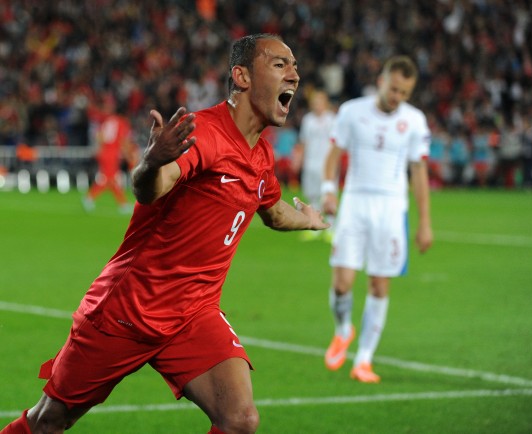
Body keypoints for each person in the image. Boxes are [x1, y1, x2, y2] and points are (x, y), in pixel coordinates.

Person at [2, 33, 328, 434]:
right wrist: (151, 162)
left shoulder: (260, 154)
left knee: (240, 420)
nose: (294, 75)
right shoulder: (203, 133)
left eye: (294, 66)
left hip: (194, 313)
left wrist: (309, 219)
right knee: (48, 421)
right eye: (280, 64)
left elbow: (274, 211)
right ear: (242, 77)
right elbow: (152, 188)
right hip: (128, 311)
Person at [321, 55, 433, 384]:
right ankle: (344, 329)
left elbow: (419, 172)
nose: (398, 97)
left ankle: (364, 360)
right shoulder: (352, 111)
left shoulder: (415, 121)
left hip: (392, 208)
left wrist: (425, 221)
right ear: (382, 81)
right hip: (355, 202)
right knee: (341, 283)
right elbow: (333, 156)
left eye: (405, 93)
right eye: (394, 89)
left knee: (379, 284)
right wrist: (329, 191)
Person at [81, 93, 136, 213]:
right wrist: (128, 155)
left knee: (112, 179)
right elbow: (123, 141)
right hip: (111, 154)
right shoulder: (122, 122)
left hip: (104, 152)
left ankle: (122, 203)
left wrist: (100, 149)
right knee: (108, 179)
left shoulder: (107, 121)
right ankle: (90, 198)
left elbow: (98, 136)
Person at [297, 89, 336, 240]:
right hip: (311, 163)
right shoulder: (308, 120)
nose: (317, 105)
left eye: (319, 102)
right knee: (312, 195)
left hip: (327, 164)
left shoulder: (332, 119)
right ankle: (316, 226)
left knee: (328, 195)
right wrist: (300, 159)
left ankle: (331, 227)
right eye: (314, 102)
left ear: (325, 103)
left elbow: (336, 144)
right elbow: (304, 142)